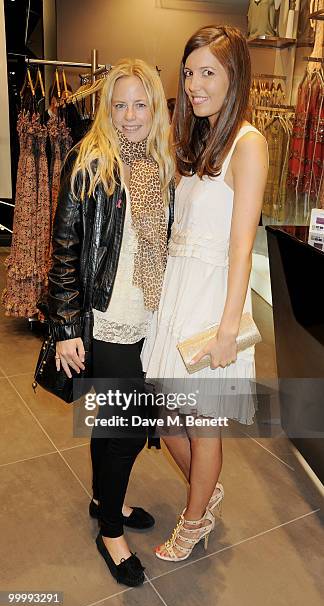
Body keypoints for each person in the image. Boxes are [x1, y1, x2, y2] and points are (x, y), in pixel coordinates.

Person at [142, 25, 268, 561]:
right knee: (169, 418)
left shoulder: (249, 142)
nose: (194, 84)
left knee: (202, 426)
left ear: (233, 75)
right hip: (178, 290)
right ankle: (205, 491)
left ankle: (194, 521)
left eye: (208, 72)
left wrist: (227, 330)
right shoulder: (195, 141)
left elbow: (241, 245)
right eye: (190, 72)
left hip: (214, 299)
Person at [47, 58, 174, 585]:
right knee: (124, 429)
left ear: (155, 109)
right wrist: (67, 326)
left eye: (138, 105)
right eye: (118, 105)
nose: (127, 116)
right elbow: (66, 247)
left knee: (117, 422)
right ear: (106, 108)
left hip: (151, 315)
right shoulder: (90, 159)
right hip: (108, 319)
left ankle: (106, 501)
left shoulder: (161, 164)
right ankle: (110, 533)